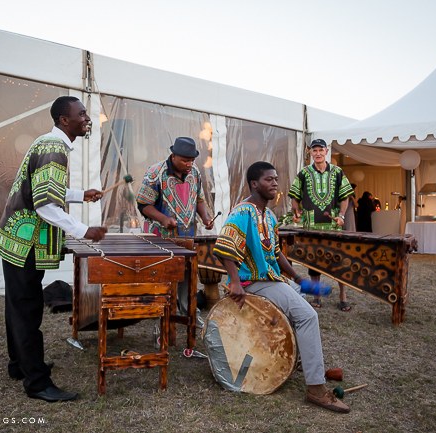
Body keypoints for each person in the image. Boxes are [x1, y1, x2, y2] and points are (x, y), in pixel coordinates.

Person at [0, 96, 108, 403]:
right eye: (81, 114)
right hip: (25, 242)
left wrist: (79, 194)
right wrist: (85, 231)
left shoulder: (49, 144)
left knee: (17, 305)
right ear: (63, 120)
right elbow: (45, 204)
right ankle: (37, 383)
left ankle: (20, 365)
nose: (87, 118)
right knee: (28, 309)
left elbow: (43, 188)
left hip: (17, 239)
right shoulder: (54, 149)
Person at [213, 161, 349, 413]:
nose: (275, 183)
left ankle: (304, 362)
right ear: (254, 184)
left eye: (276, 179)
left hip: (270, 280)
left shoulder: (270, 215)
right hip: (253, 282)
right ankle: (316, 389)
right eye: (268, 179)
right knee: (308, 316)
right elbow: (224, 248)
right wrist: (233, 281)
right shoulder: (242, 212)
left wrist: (298, 279)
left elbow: (276, 254)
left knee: (300, 306)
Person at [136, 137, 214, 326]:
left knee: (188, 274)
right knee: (162, 275)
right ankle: (160, 312)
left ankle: (188, 311)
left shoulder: (194, 172)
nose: (189, 164)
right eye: (185, 160)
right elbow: (143, 204)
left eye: (192, 160)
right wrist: (163, 218)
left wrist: (204, 217)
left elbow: (199, 200)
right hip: (160, 237)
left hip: (186, 235)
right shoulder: (155, 173)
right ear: (173, 156)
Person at [288, 139, 354, 312]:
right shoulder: (304, 173)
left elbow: (344, 197)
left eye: (320, 150)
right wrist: (296, 211)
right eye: (314, 150)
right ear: (310, 152)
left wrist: (341, 215)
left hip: (333, 227)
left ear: (327, 151)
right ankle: (317, 296)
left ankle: (343, 296)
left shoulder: (338, 172)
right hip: (312, 226)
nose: (317, 153)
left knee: (339, 260)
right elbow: (295, 195)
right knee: (314, 261)